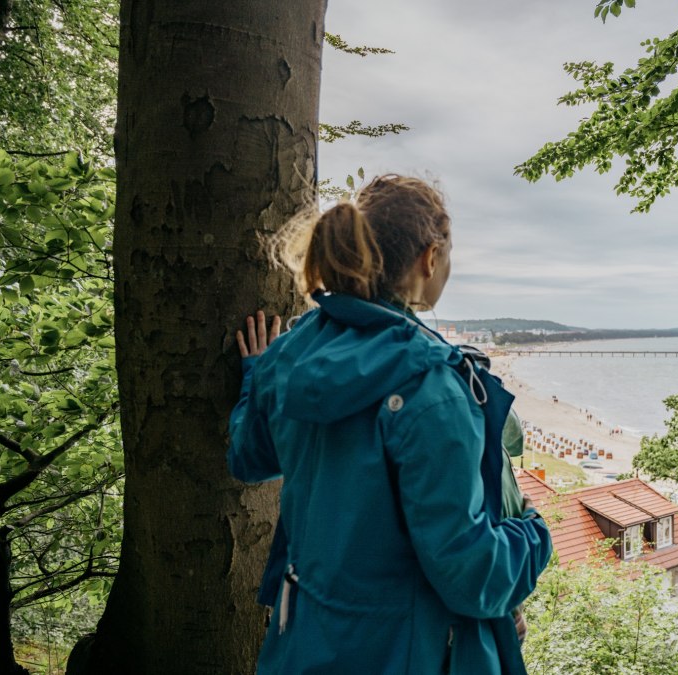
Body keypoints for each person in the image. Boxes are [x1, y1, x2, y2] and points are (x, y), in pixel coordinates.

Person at [228, 175, 553, 674]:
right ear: (430, 257)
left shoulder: (287, 356)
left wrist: (254, 374)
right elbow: (470, 574)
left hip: (303, 645)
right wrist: (533, 534)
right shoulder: (433, 386)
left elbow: (249, 458)